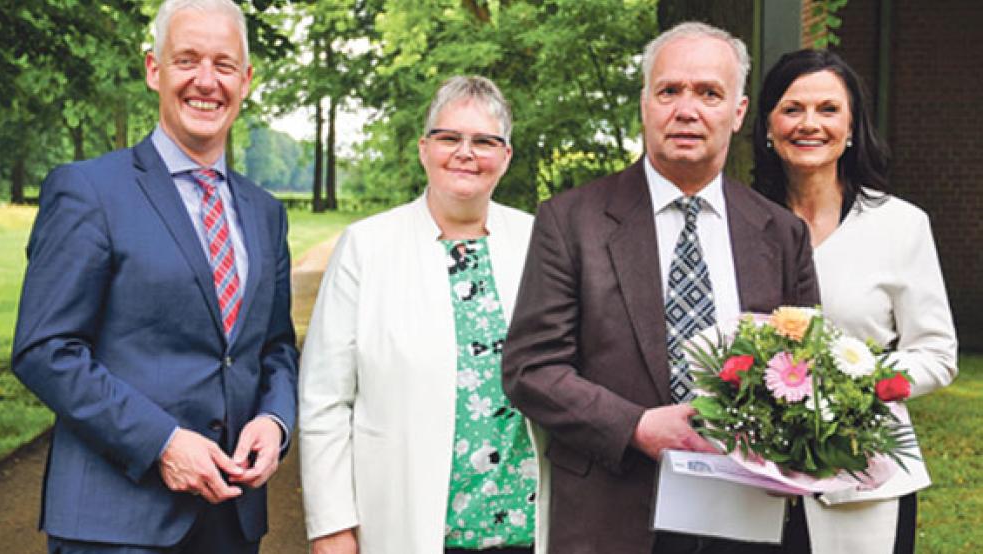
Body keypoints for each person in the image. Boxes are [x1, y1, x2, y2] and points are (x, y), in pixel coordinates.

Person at [501, 22, 821, 554]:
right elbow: (531, 369)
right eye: (669, 90)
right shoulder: (571, 221)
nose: (687, 109)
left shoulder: (782, 234)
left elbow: (805, 373)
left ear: (739, 112)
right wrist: (636, 426)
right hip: (614, 511)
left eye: (709, 93)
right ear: (646, 103)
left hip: (747, 518)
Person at [11, 0, 299, 551]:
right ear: (153, 69)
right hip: (114, 521)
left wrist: (275, 421)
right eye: (187, 60)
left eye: (223, 64)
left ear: (246, 78)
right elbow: (45, 349)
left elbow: (276, 348)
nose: (206, 81)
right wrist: (162, 442)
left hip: (231, 520)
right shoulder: (89, 190)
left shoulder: (266, 212)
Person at [299, 76, 543, 554]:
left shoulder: (539, 241)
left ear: (506, 155)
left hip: (525, 526)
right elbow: (324, 399)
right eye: (449, 138)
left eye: (484, 141)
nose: (465, 152)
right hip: (404, 523)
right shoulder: (367, 247)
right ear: (424, 149)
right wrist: (331, 525)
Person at [751, 48, 958, 554]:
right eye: (792, 108)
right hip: (750, 483)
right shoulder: (739, 222)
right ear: (768, 127)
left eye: (828, 109)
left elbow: (936, 352)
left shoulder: (900, 225)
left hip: (865, 478)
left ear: (851, 128)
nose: (809, 123)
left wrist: (858, 388)